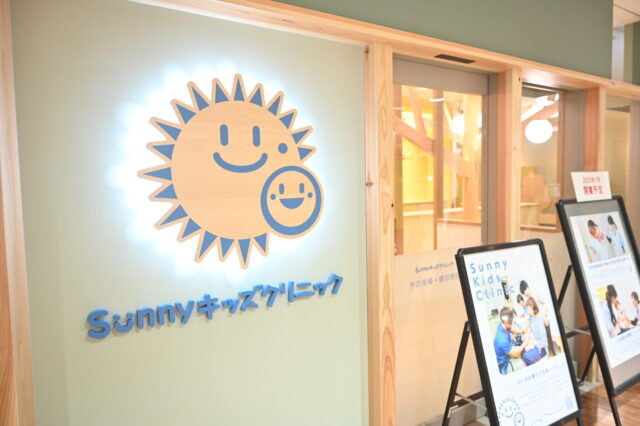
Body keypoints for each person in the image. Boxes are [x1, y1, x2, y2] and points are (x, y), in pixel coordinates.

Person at [494, 307, 526, 374]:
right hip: (504, 364)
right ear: (506, 322)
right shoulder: (502, 340)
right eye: (511, 321)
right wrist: (525, 343)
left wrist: (521, 332)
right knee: (521, 363)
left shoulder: (501, 325)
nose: (513, 322)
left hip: (506, 353)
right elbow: (516, 354)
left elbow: (512, 329)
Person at [523, 298, 548, 364]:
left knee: (526, 356)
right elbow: (530, 327)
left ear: (531, 307)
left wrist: (534, 343)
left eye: (527, 308)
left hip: (541, 349)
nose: (527, 311)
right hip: (536, 344)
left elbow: (544, 342)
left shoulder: (539, 320)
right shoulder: (533, 318)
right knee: (524, 350)